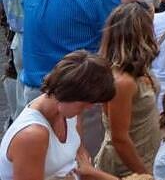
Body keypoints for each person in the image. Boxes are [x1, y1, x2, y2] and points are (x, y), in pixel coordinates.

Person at [0, 51, 117, 180]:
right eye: (85, 102)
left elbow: (81, 158)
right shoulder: (33, 135)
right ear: (68, 93)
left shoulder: (70, 113)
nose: (89, 108)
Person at [96, 2, 162, 177]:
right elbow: (120, 138)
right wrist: (144, 174)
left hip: (145, 156)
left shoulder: (138, 69)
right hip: (127, 167)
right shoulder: (122, 82)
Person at [0, 0, 54, 116]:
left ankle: (18, 119)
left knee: (22, 83)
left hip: (18, 37)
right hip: (41, 39)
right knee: (39, 87)